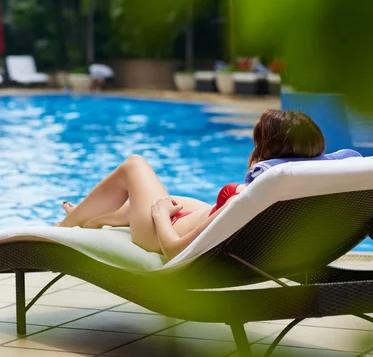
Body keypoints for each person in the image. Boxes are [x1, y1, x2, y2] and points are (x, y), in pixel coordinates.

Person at [56, 109, 326, 260]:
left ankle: (66, 227)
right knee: (169, 198)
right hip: (202, 225)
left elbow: (173, 249)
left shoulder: (247, 198)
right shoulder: (296, 193)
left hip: (161, 234)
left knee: (134, 165)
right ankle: (95, 219)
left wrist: (161, 216)